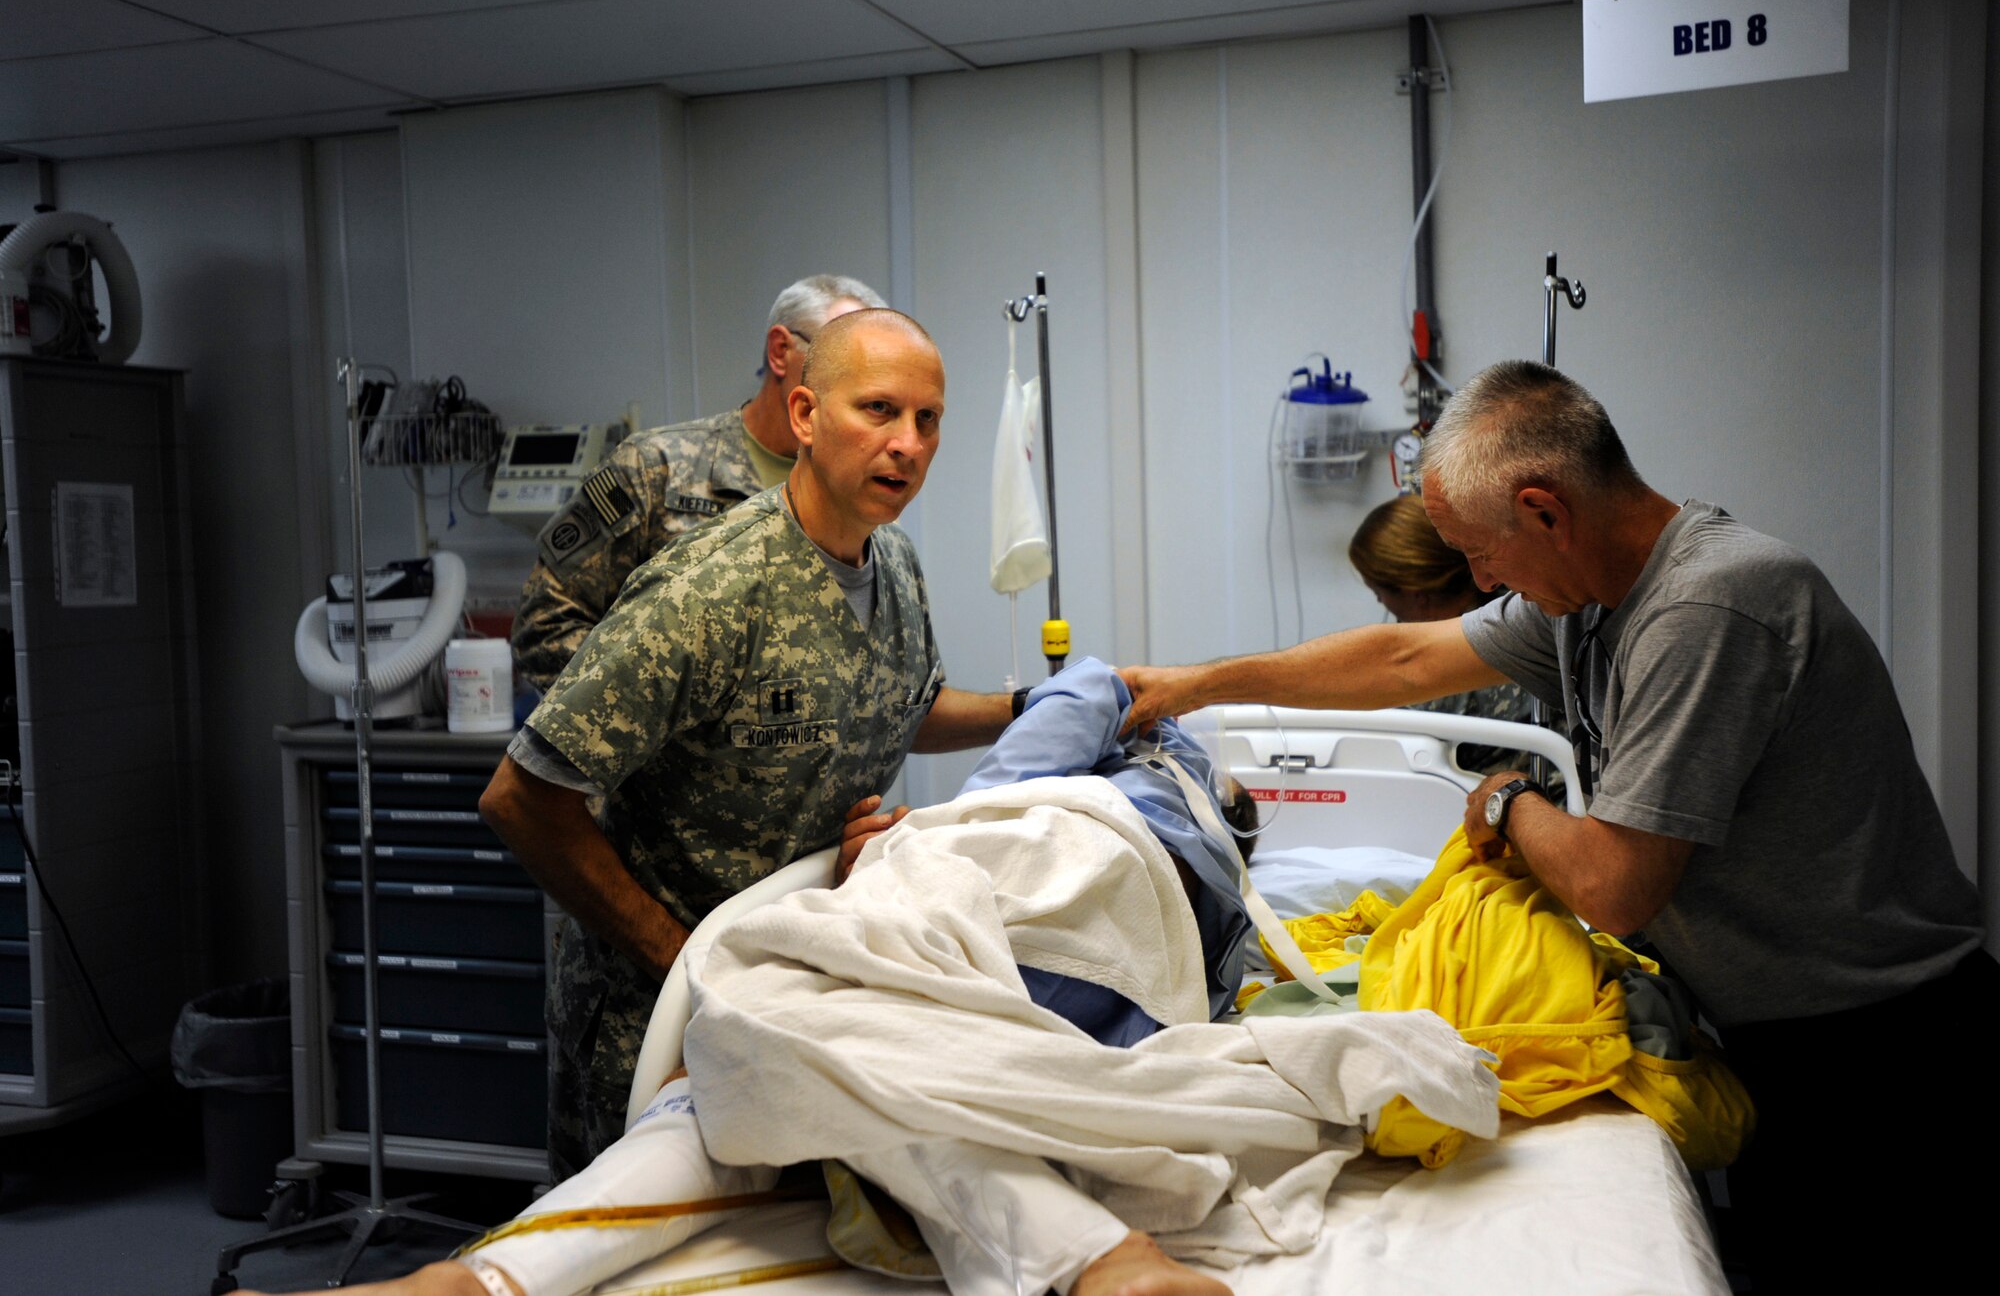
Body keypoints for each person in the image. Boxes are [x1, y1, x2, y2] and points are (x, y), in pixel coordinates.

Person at [1122, 358, 1991, 1290]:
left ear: (1544, 511)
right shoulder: (1591, 606)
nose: (1478, 578)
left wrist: (1508, 801)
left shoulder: (1709, 606)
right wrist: (1194, 685)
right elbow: (1406, 657)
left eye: (1479, 555)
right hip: (1792, 1028)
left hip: (1885, 1052)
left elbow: (1613, 886)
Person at [247, 664, 1484, 1296]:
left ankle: (485, 1276)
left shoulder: (1134, 810)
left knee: (778, 1046)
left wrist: (1118, 702)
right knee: (842, 1040)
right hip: (1013, 903)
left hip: (1059, 918)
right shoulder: (1112, 799)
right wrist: (891, 851)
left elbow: (1094, 691)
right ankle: (1094, 1258)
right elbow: (1097, 691)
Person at [481, 309, 1014, 1179]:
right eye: (878, 410)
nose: (908, 444)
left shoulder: (898, 568)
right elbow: (521, 798)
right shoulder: (711, 588)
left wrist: (1041, 706)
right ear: (804, 415)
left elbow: (898, 707)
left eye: (929, 420)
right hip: (655, 1022)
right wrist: (685, 962)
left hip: (791, 997)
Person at [511, 274, 885, 691]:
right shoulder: (657, 470)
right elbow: (543, 624)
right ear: (781, 351)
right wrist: (657, 711)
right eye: (844, 365)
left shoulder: (867, 491)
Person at [1347, 492, 1538, 776]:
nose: (1380, 603)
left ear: (1417, 594)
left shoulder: (1436, 674)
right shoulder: (1520, 609)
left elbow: (1372, 755)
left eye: (1379, 592)